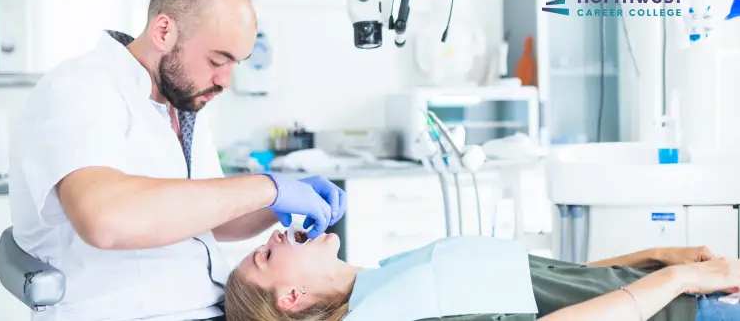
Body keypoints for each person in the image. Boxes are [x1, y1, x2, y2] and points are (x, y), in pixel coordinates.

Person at [8, 0, 347, 321]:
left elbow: (212, 219)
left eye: (236, 63)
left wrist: (279, 203)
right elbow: (104, 218)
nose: (226, 81)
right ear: (164, 30)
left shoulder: (183, 104)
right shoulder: (80, 87)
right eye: (218, 60)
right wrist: (267, 188)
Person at [225, 229, 740, 321]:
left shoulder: (386, 280)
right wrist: (678, 282)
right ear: (292, 297)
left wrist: (656, 257)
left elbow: (539, 283)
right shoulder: (386, 314)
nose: (273, 237)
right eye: (265, 257)